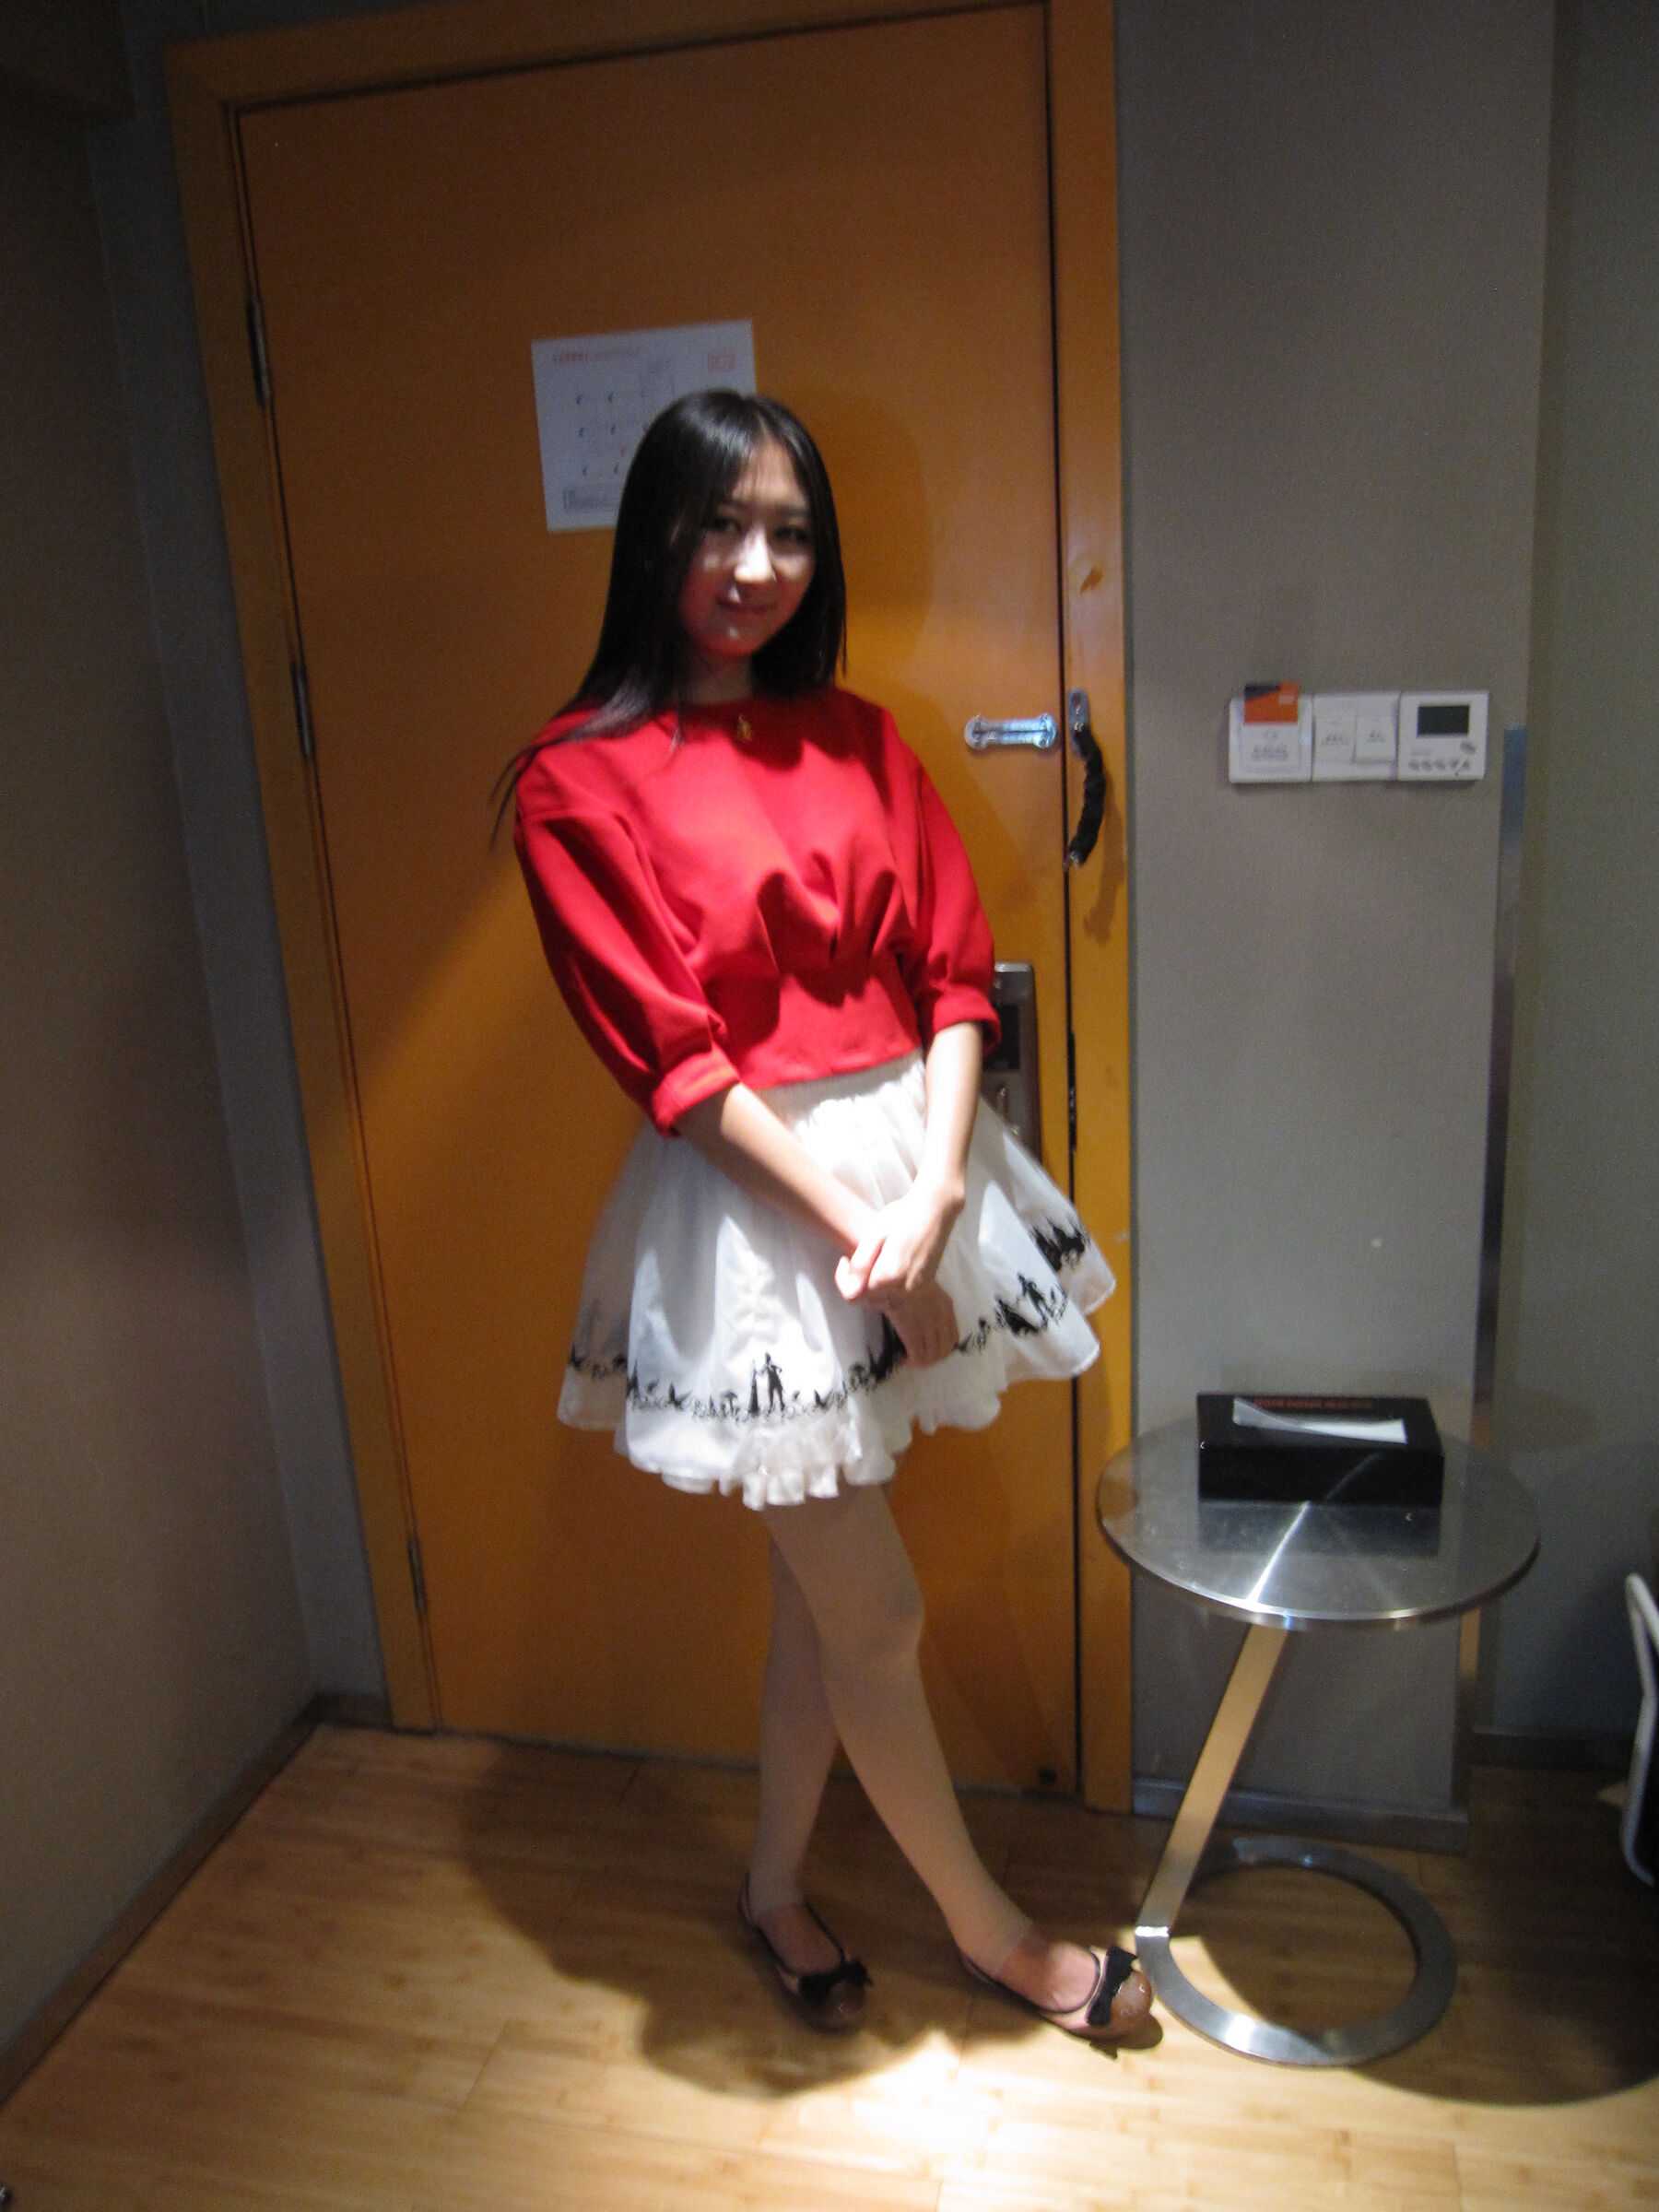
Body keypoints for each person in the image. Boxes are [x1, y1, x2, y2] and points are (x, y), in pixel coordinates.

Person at [504, 390, 1151, 2044]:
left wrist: (936, 1190)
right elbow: (675, 1063)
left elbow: (954, 972)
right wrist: (866, 1229)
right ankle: (999, 1941)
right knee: (877, 1608)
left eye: (790, 532)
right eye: (719, 525)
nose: (755, 566)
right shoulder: (574, 779)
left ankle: (773, 1889)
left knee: (823, 1597)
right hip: (754, 1214)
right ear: (653, 534)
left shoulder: (861, 736)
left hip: (918, 1175)